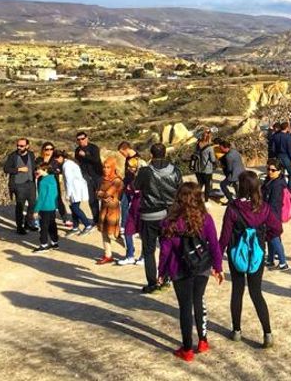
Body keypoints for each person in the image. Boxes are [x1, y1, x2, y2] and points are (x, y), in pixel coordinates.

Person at [158, 182, 224, 362]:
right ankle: (203, 341)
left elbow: (165, 251)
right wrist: (218, 267)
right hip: (201, 265)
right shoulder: (205, 218)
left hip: (178, 268)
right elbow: (214, 245)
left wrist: (161, 271)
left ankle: (187, 349)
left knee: (185, 308)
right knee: (199, 300)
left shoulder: (169, 222)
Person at [220, 171, 282, 347]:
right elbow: (277, 228)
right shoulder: (264, 207)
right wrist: (263, 238)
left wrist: (216, 260)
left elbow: (224, 237)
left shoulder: (233, 208)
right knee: (256, 292)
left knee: (237, 291)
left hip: (236, 252)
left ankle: (237, 330)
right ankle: (267, 333)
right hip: (256, 253)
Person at [134, 143, 183, 294]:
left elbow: (136, 186)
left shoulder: (145, 171)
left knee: (148, 251)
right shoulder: (175, 170)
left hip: (149, 215)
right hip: (169, 215)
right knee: (167, 247)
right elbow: (180, 190)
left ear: (151, 154)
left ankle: (152, 282)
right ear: (165, 153)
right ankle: (166, 278)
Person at [3, 138, 37, 235]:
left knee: (32, 205)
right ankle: (19, 227)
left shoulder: (31, 154)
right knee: (20, 207)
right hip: (18, 185)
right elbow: (6, 169)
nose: (19, 147)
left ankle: (28, 223)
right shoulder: (13, 156)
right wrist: (19, 169)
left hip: (31, 183)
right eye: (18, 145)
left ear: (27, 146)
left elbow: (33, 166)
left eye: (21, 146)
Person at [54, 150, 93, 235]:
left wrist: (68, 194)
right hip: (76, 188)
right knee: (73, 208)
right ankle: (75, 227)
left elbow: (69, 181)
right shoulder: (69, 163)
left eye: (56, 159)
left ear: (60, 157)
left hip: (75, 189)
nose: (56, 161)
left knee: (75, 208)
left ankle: (87, 225)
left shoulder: (66, 165)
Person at [261, 159, 290, 270]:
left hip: (272, 215)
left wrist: (265, 214)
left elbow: (273, 203)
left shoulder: (277, 184)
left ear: (279, 171)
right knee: (269, 237)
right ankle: (270, 260)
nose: (270, 172)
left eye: (273, 170)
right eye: (268, 169)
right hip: (269, 214)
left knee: (274, 237)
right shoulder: (271, 180)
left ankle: (283, 262)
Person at [95, 157, 123, 265]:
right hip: (103, 208)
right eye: (104, 167)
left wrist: (102, 194)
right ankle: (108, 255)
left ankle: (129, 249)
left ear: (113, 168)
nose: (105, 169)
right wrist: (101, 194)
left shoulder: (117, 180)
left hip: (113, 209)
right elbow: (97, 193)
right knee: (104, 232)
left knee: (113, 233)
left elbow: (107, 193)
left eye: (108, 167)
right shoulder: (103, 179)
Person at [74, 132, 102, 224]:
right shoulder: (77, 150)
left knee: (102, 197)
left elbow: (96, 160)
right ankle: (96, 220)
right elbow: (78, 163)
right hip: (86, 177)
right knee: (92, 200)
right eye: (78, 139)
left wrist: (85, 155)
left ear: (87, 138)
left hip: (97, 176)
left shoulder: (94, 148)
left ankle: (105, 219)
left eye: (82, 138)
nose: (80, 141)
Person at [32, 162, 60, 252]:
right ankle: (54, 243)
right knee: (52, 225)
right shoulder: (52, 179)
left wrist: (36, 210)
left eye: (38, 169)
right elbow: (56, 193)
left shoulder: (43, 181)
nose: (37, 171)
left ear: (45, 170)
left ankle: (44, 245)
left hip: (44, 207)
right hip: (52, 207)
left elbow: (41, 197)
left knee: (43, 227)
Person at [192, 130, 217, 200]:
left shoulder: (197, 145)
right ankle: (206, 199)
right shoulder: (210, 148)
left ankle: (197, 198)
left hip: (197, 168)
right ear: (209, 138)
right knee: (207, 185)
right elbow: (212, 159)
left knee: (200, 184)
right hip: (207, 169)